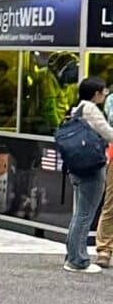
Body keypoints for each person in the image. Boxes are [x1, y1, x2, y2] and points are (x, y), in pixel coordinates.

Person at [62, 76, 112, 273]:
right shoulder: (91, 109)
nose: (105, 94)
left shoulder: (77, 108)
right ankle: (78, 260)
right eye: (103, 91)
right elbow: (109, 133)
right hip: (91, 168)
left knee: (79, 213)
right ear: (96, 94)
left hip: (78, 167)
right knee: (85, 214)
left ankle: (72, 255)